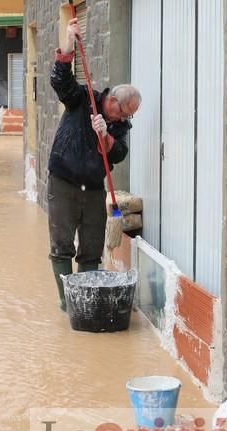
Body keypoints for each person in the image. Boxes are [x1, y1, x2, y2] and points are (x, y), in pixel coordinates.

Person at [48, 17, 141, 311]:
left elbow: (118, 154)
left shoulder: (119, 128)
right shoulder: (83, 98)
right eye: (123, 112)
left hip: (94, 191)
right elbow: (60, 81)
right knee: (62, 246)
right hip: (63, 183)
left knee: (90, 251)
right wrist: (68, 40)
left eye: (128, 117)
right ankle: (67, 303)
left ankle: (84, 303)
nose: (124, 119)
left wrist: (106, 136)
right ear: (112, 100)